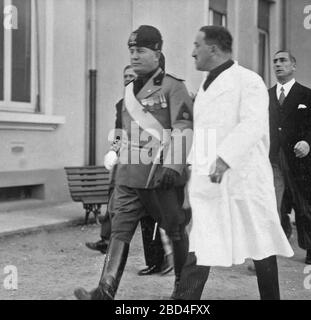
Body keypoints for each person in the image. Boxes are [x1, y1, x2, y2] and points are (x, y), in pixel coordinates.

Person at [172, 26, 294, 300]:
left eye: (196, 45)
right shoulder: (205, 87)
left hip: (246, 181)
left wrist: (225, 159)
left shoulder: (248, 81)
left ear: (213, 49)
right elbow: (203, 133)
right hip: (211, 181)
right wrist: (193, 171)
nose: (192, 52)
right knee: (201, 243)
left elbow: (253, 126)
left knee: (261, 246)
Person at [74, 25, 193, 300]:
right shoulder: (128, 92)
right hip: (129, 175)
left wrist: (173, 166)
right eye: (131, 51)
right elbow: (122, 131)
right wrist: (114, 152)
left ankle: (183, 291)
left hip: (159, 174)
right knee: (120, 230)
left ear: (156, 53)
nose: (134, 56)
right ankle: (105, 290)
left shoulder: (174, 87)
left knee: (175, 230)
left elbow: (184, 127)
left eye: (140, 50)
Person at [86, 65, 172, 276]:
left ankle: (165, 259)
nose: (128, 80)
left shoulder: (155, 101)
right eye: (125, 76)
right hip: (127, 162)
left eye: (131, 76)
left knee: (152, 215)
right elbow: (118, 131)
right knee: (121, 204)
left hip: (150, 162)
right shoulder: (121, 103)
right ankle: (111, 243)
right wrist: (113, 150)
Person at [268, 50, 311, 265]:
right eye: (275, 61)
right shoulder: (267, 95)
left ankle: (310, 248)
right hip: (273, 157)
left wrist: (308, 142)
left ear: (293, 66)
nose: (278, 65)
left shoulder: (308, 95)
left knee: (303, 206)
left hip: (299, 160)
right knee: (274, 203)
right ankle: (276, 242)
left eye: (283, 61)